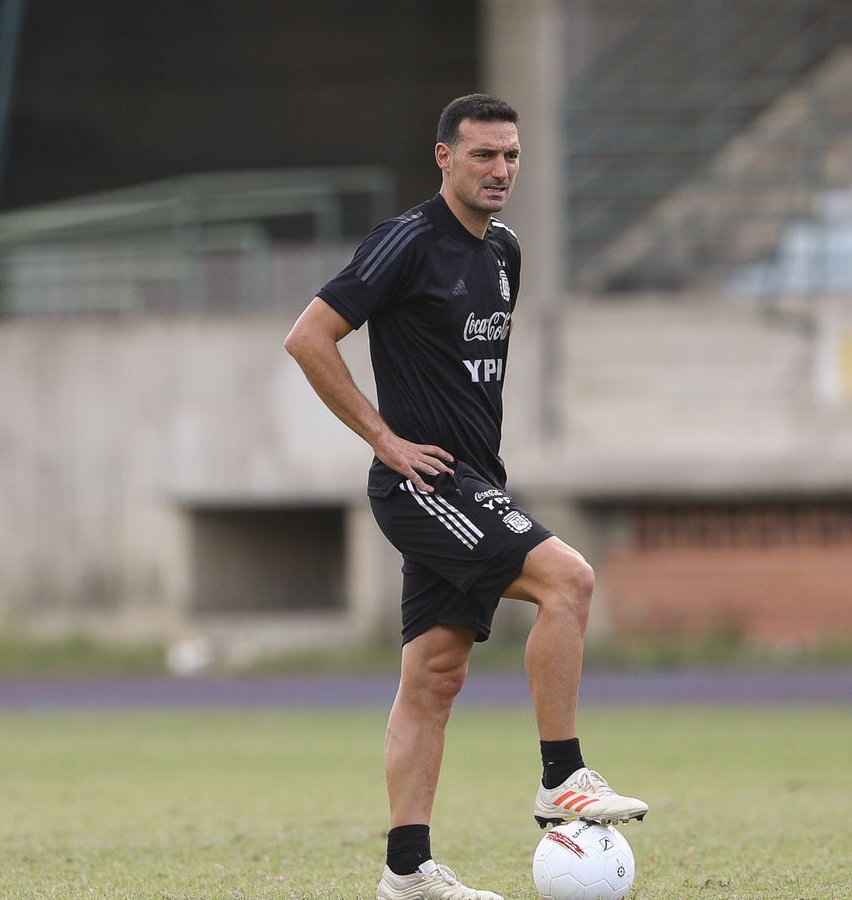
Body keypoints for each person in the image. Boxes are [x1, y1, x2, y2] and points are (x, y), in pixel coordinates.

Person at [284, 94, 648, 900]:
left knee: (434, 676)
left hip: (477, 483)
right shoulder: (406, 242)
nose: (500, 169)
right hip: (423, 484)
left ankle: (407, 873)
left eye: (511, 155)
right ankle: (562, 777)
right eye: (483, 154)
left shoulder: (505, 250)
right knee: (570, 579)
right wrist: (386, 441)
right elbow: (308, 337)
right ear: (444, 157)